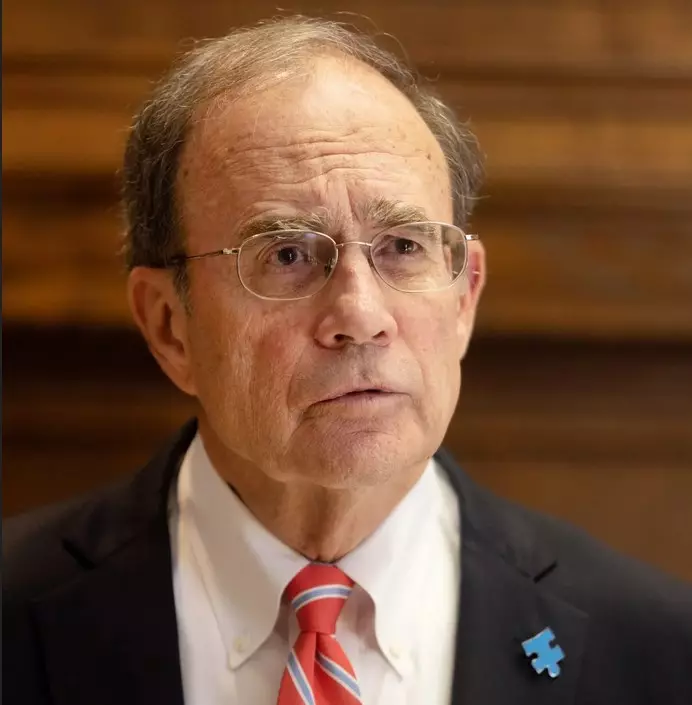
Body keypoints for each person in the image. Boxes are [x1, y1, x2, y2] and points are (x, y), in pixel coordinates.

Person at [4, 15, 692, 705]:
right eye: (287, 255)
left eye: (403, 247)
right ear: (169, 325)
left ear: (464, 298)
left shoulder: (656, 650)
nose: (361, 316)